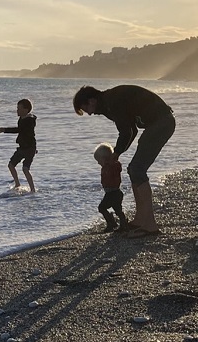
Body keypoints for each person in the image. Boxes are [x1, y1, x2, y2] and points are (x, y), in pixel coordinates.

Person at [74, 85, 175, 238]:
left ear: (92, 100)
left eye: (85, 107)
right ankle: (140, 219)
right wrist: (118, 152)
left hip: (162, 122)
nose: (89, 113)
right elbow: (131, 130)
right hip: (158, 123)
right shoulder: (108, 102)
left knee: (137, 170)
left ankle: (149, 225)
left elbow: (126, 130)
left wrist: (117, 152)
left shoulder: (111, 102)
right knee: (133, 169)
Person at [0, 98, 37, 193]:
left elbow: (19, 130)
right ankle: (17, 184)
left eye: (19, 108)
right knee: (11, 165)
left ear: (26, 110)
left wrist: (4, 130)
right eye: (17, 108)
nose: (17, 110)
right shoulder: (22, 119)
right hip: (22, 147)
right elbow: (20, 130)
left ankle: (33, 189)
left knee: (25, 169)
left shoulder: (29, 121)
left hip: (29, 148)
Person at [93, 143, 127, 232]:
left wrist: (112, 161)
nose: (98, 163)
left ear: (104, 158)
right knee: (117, 209)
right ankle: (116, 222)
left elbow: (117, 167)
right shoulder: (105, 167)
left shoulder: (112, 165)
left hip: (114, 192)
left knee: (103, 208)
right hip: (109, 192)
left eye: (99, 160)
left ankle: (114, 223)